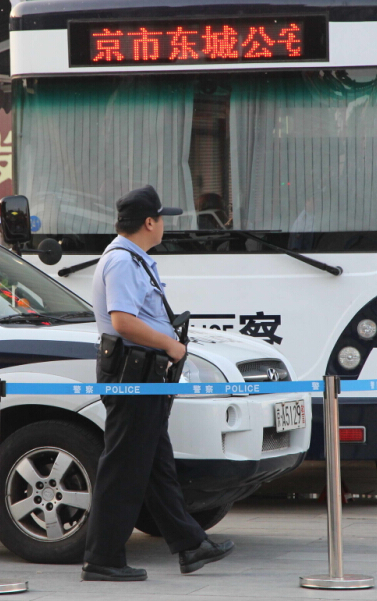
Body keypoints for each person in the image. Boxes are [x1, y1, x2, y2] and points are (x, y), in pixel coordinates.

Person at [81, 185, 233, 582]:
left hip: (144, 374)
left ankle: (190, 544)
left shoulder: (136, 258)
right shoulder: (122, 262)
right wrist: (170, 345)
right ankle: (102, 559)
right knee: (123, 468)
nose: (165, 224)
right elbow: (123, 320)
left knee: (154, 465)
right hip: (133, 375)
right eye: (163, 218)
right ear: (149, 222)